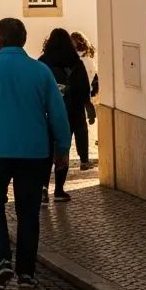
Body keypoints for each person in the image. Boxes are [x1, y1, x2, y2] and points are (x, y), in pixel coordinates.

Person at [0, 17, 70, 290]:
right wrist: (62, 149)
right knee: (28, 211)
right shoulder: (41, 71)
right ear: (23, 41)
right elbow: (58, 114)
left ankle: (1, 260)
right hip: (34, 153)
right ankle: (26, 273)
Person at [39, 28, 92, 194]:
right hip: (70, 114)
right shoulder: (75, 62)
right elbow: (84, 88)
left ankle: (43, 187)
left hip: (46, 114)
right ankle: (59, 189)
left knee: (46, 152)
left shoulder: (43, 62)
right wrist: (87, 106)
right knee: (63, 149)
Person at [72, 30, 99, 165]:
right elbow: (93, 77)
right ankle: (84, 159)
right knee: (81, 129)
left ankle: (81, 158)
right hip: (85, 95)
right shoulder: (89, 60)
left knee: (76, 128)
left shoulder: (76, 61)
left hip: (75, 96)